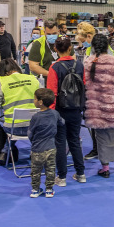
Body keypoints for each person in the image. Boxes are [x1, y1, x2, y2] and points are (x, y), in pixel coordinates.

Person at [83, 34, 114, 178]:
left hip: (98, 106)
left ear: (93, 46)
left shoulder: (89, 62)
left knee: (101, 136)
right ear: (107, 46)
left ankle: (105, 167)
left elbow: (85, 83)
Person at [46, 36, 86, 186]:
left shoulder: (54, 68)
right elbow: (84, 86)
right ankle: (81, 174)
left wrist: (51, 113)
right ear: (70, 48)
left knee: (60, 143)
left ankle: (61, 177)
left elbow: (52, 92)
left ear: (55, 49)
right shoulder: (80, 65)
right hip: (76, 109)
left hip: (60, 110)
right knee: (75, 140)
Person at [0, 59, 40, 162]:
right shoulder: (33, 79)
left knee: (11, 129)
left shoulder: (3, 81)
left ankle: (5, 151)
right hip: (34, 127)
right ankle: (34, 151)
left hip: (12, 128)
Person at [27, 88, 64, 198]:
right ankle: (49, 189)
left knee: (35, 171)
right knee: (51, 170)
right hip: (51, 148)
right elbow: (62, 122)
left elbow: (30, 132)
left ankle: (35, 189)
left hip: (37, 149)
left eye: (34, 99)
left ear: (40, 102)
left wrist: (33, 141)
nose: (33, 101)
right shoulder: (55, 114)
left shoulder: (35, 117)